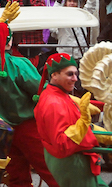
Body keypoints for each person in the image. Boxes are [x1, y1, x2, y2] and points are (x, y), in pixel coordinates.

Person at [0, 6, 59, 187]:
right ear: (10, 42)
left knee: (16, 176)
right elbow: (42, 90)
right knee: (51, 170)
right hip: (24, 128)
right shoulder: (19, 64)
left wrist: (2, 21)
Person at [33, 53, 107, 187]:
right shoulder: (54, 103)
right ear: (54, 75)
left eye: (76, 74)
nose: (75, 79)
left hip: (72, 159)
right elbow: (62, 144)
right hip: (72, 162)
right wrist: (84, 121)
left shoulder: (58, 95)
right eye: (70, 74)